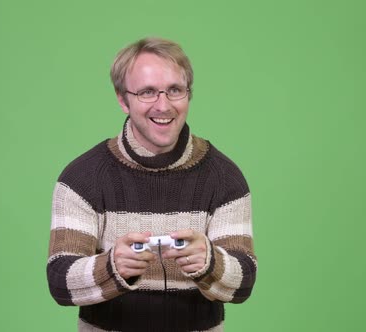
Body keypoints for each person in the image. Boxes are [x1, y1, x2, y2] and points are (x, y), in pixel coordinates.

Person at [46, 37, 257, 332]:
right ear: (123, 100)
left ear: (188, 94)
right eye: (147, 92)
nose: (163, 105)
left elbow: (244, 282)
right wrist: (111, 267)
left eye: (174, 90)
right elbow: (59, 282)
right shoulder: (82, 178)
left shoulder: (223, 177)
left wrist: (211, 262)